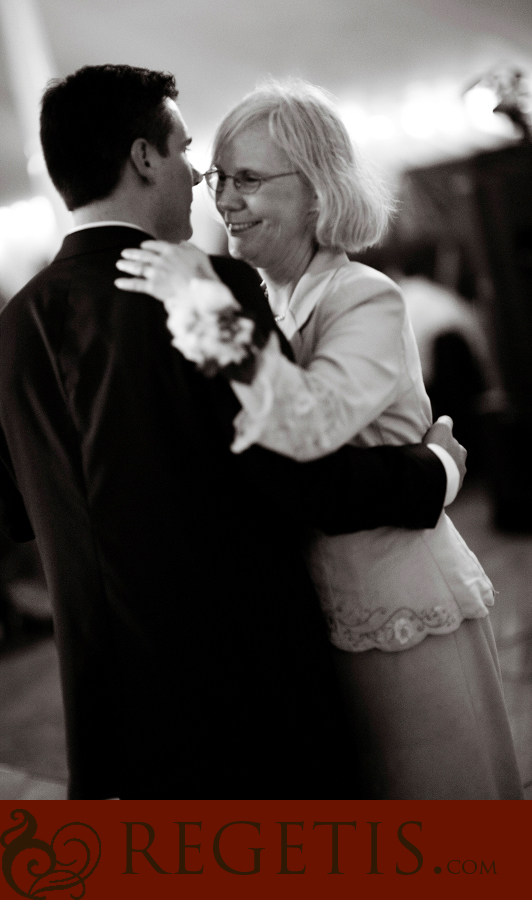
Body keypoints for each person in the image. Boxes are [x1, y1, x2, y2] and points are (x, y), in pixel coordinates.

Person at [0, 64, 462, 800]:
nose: (198, 179)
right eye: (187, 152)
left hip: (105, 714)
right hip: (246, 688)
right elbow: (297, 476)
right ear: (145, 158)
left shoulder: (16, 323)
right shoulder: (203, 287)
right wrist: (434, 470)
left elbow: (21, 509)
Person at [117, 79, 523, 799]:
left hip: (396, 597)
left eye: (249, 179)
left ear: (317, 190)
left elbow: (311, 423)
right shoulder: (266, 302)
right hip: (311, 611)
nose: (224, 199)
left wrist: (199, 305)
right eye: (219, 177)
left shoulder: (363, 294)